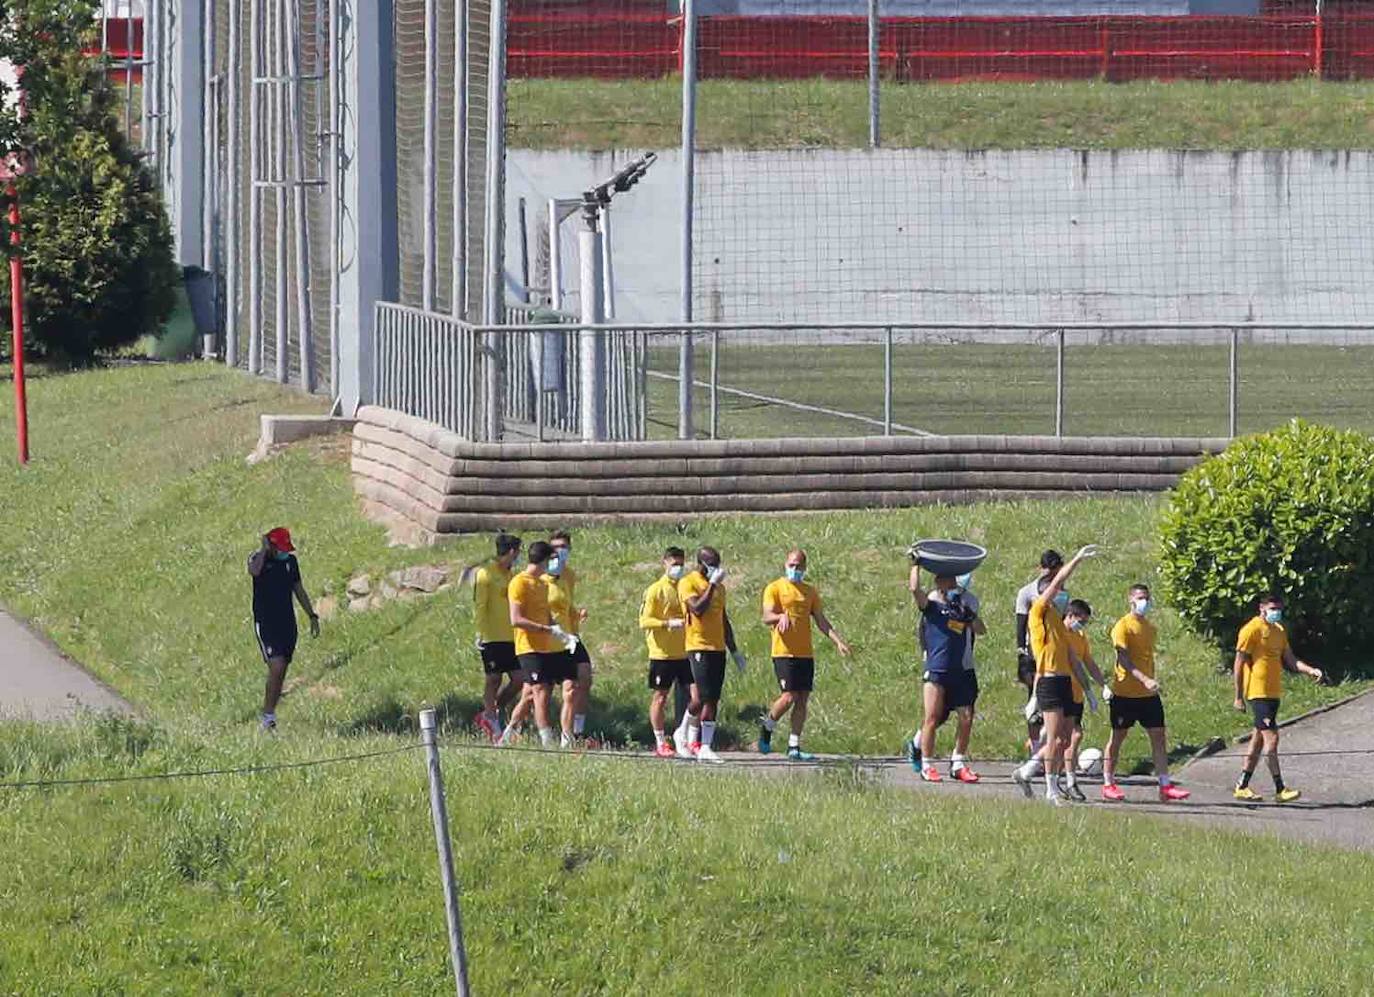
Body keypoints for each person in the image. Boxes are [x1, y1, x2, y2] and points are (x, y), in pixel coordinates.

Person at [1011, 544, 1097, 805]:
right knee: (1056, 737)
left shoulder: (1060, 623)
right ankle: (1050, 789)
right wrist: (1078, 559)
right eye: (1054, 593)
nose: (1060, 596)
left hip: (1063, 680)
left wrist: (1089, 689)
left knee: (1063, 738)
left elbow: (1073, 658)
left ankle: (1027, 772)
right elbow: (1059, 579)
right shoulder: (1038, 611)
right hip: (1049, 680)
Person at [1100, 584, 1191, 803]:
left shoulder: (1150, 628)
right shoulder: (1122, 626)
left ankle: (1165, 785)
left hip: (1148, 696)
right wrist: (1145, 679)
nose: (1144, 602)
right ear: (1130, 599)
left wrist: (1150, 682)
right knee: (1118, 738)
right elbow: (1123, 658)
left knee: (1159, 737)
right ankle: (1108, 783)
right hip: (1125, 694)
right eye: (1140, 598)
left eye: (1147, 598)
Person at [758, 549, 851, 761]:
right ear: (785, 564)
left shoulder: (809, 592)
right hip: (784, 651)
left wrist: (838, 641)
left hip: (804, 653)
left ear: (805, 567)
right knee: (789, 696)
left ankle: (794, 745)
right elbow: (766, 616)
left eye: (799, 566)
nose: (795, 570)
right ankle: (768, 725)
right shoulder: (775, 588)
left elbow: (820, 620)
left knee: (802, 699)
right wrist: (779, 617)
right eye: (792, 565)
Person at [1232, 593, 1324, 803]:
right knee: (1271, 740)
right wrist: (1238, 696)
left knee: (1257, 741)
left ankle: (1242, 785)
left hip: (1273, 693)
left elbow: (1290, 659)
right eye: (1272, 608)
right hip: (1258, 693)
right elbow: (1238, 663)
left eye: (1278, 608)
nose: (1276, 612)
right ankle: (1280, 789)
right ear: (1261, 608)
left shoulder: (1279, 631)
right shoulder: (1251, 629)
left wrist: (1310, 670)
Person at [905, 563, 986, 783]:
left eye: (953, 581)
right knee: (932, 718)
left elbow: (981, 629)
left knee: (966, 716)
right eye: (947, 581)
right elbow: (914, 589)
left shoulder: (962, 606)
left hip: (959, 670)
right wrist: (915, 564)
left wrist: (969, 617)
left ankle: (957, 762)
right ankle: (927, 764)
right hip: (936, 669)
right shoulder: (931, 605)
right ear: (939, 583)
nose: (951, 585)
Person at [498, 541, 573, 748]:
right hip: (527, 647)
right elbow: (516, 619)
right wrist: (546, 629)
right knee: (540, 690)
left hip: (545, 647)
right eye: (551, 560)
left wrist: (563, 634)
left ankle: (507, 733)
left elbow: (547, 616)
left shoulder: (542, 585)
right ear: (544, 560)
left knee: (531, 694)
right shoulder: (519, 582)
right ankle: (547, 740)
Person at [677, 546, 747, 764]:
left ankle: (704, 745)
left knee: (713, 698)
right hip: (698, 645)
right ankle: (682, 731)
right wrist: (712, 585)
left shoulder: (720, 589)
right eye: (712, 564)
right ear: (702, 563)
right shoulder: (688, 582)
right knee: (701, 698)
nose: (717, 568)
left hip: (717, 647)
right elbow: (697, 608)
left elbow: (723, 619)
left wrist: (734, 649)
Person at [247, 527, 319, 731]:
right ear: (270, 545)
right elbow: (253, 571)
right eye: (280, 548)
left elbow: (298, 589)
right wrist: (263, 550)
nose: (284, 552)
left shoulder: (290, 562)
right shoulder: (257, 559)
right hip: (267, 623)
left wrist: (312, 615)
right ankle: (267, 717)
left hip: (287, 623)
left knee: (281, 670)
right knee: (276, 665)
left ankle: (270, 715)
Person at [639, 546, 692, 758]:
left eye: (681, 564)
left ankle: (687, 735)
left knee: (696, 696)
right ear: (665, 563)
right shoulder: (655, 590)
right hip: (662, 653)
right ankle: (660, 740)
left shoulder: (685, 587)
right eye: (674, 564)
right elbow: (644, 621)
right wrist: (667, 623)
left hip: (685, 652)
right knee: (660, 697)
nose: (678, 568)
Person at [471, 533, 522, 741]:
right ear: (511, 552)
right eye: (518, 552)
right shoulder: (485, 574)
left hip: (512, 636)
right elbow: (480, 604)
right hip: (492, 635)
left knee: (518, 679)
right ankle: (490, 718)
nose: (519, 556)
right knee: (493, 678)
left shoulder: (512, 577)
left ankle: (491, 711)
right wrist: (480, 632)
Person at [1014, 550, 1064, 757]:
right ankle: (1035, 748)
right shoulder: (1028, 592)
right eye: (1049, 570)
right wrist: (1023, 653)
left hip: (1054, 654)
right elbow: (1021, 622)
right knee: (1035, 705)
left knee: (1051, 705)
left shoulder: (1062, 593)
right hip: (1032, 654)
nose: (1052, 575)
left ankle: (1045, 747)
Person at [545, 530, 592, 747]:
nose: (559, 552)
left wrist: (577, 614)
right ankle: (511, 726)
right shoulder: (541, 576)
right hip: (549, 639)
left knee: (583, 678)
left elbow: (567, 605)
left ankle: (575, 731)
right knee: (533, 692)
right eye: (555, 548)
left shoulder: (569, 575)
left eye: (563, 547)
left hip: (570, 637)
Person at [1059, 599, 1108, 802]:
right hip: (1060, 691)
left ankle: (1045, 770)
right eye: (1081, 621)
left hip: (1077, 694)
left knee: (1066, 739)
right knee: (1072, 736)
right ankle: (1069, 781)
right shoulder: (1058, 634)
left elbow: (1088, 663)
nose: (1082, 625)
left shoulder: (1080, 637)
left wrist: (1103, 685)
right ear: (1070, 616)